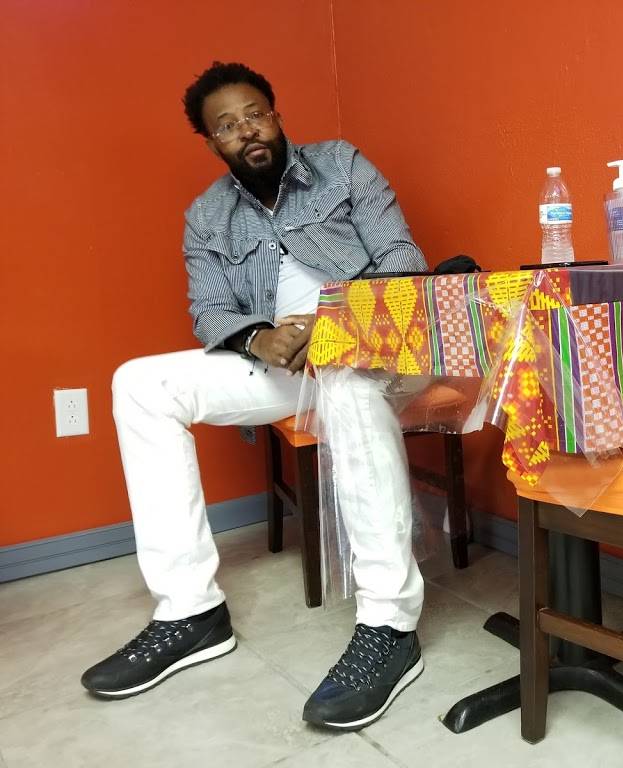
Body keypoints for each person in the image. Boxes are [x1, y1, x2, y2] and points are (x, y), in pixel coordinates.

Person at [80, 61, 427, 731]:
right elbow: (209, 310)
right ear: (212, 142)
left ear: (276, 114)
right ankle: (192, 613)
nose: (247, 131)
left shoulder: (342, 165)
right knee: (139, 383)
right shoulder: (207, 215)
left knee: (345, 381)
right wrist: (259, 338)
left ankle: (390, 624)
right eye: (227, 126)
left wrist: (332, 325)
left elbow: (403, 261)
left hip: (375, 344)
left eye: (255, 115)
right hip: (283, 360)